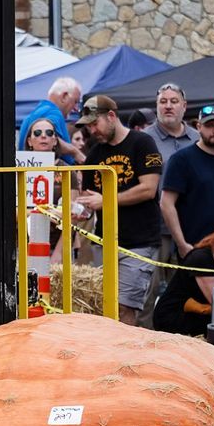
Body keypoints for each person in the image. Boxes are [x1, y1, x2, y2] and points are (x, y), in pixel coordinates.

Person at [71, 94, 166, 325]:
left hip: (139, 242)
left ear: (111, 116)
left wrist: (106, 200)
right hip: (105, 242)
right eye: (89, 126)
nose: (92, 130)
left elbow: (149, 189)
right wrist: (77, 211)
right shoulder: (95, 153)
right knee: (104, 306)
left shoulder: (143, 143)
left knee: (125, 307)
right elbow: (91, 199)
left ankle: (124, 359)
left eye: (95, 123)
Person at [159, 102, 214, 257]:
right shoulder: (181, 159)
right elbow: (166, 203)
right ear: (199, 127)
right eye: (209, 125)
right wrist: (182, 244)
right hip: (193, 248)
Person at [18, 76, 82, 162]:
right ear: (64, 96)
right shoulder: (54, 113)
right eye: (75, 101)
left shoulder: (33, 114)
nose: (76, 108)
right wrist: (75, 152)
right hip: (48, 172)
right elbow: (47, 137)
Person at [149, 84, 197, 162]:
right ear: (157, 105)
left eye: (174, 101)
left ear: (184, 106)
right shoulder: (143, 139)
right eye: (163, 102)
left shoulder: (198, 138)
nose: (168, 106)